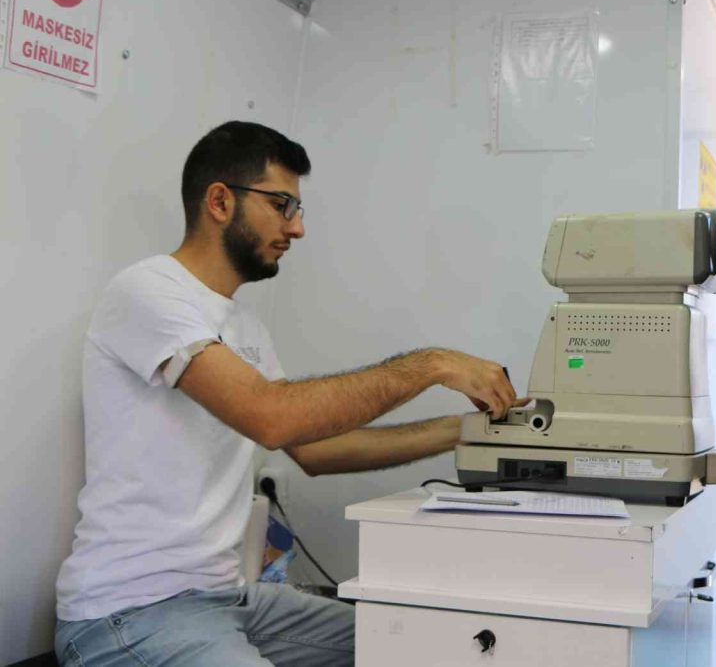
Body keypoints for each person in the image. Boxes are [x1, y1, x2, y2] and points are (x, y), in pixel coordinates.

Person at [53, 121, 520, 666]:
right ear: (220, 202)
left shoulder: (245, 327)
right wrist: (432, 365)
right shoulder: (147, 292)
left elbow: (316, 450)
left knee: (423, 647)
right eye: (281, 205)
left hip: (229, 598)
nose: (295, 228)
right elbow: (271, 418)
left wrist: (467, 432)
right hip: (129, 614)